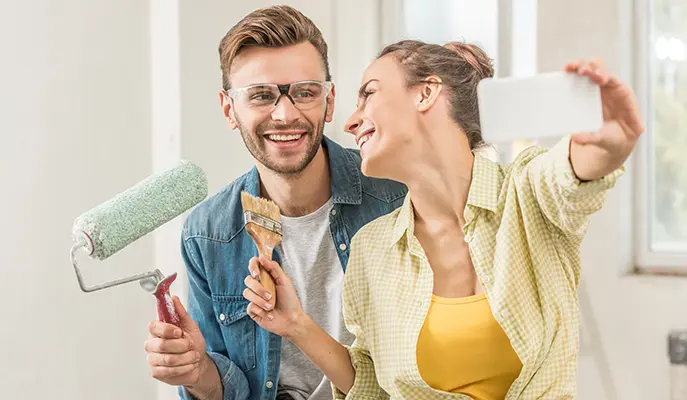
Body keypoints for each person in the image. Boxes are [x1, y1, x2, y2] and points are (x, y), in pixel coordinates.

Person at [242, 40, 644, 398]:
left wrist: (611, 139)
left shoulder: (526, 195)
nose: (349, 121)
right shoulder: (373, 249)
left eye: (368, 94)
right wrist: (296, 324)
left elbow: (572, 172)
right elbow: (372, 386)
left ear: (426, 92)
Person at [142, 5, 406, 400]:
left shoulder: (395, 197)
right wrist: (198, 372)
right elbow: (227, 391)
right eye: (261, 95)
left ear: (329, 101)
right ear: (229, 109)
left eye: (304, 92)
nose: (285, 114)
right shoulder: (207, 234)